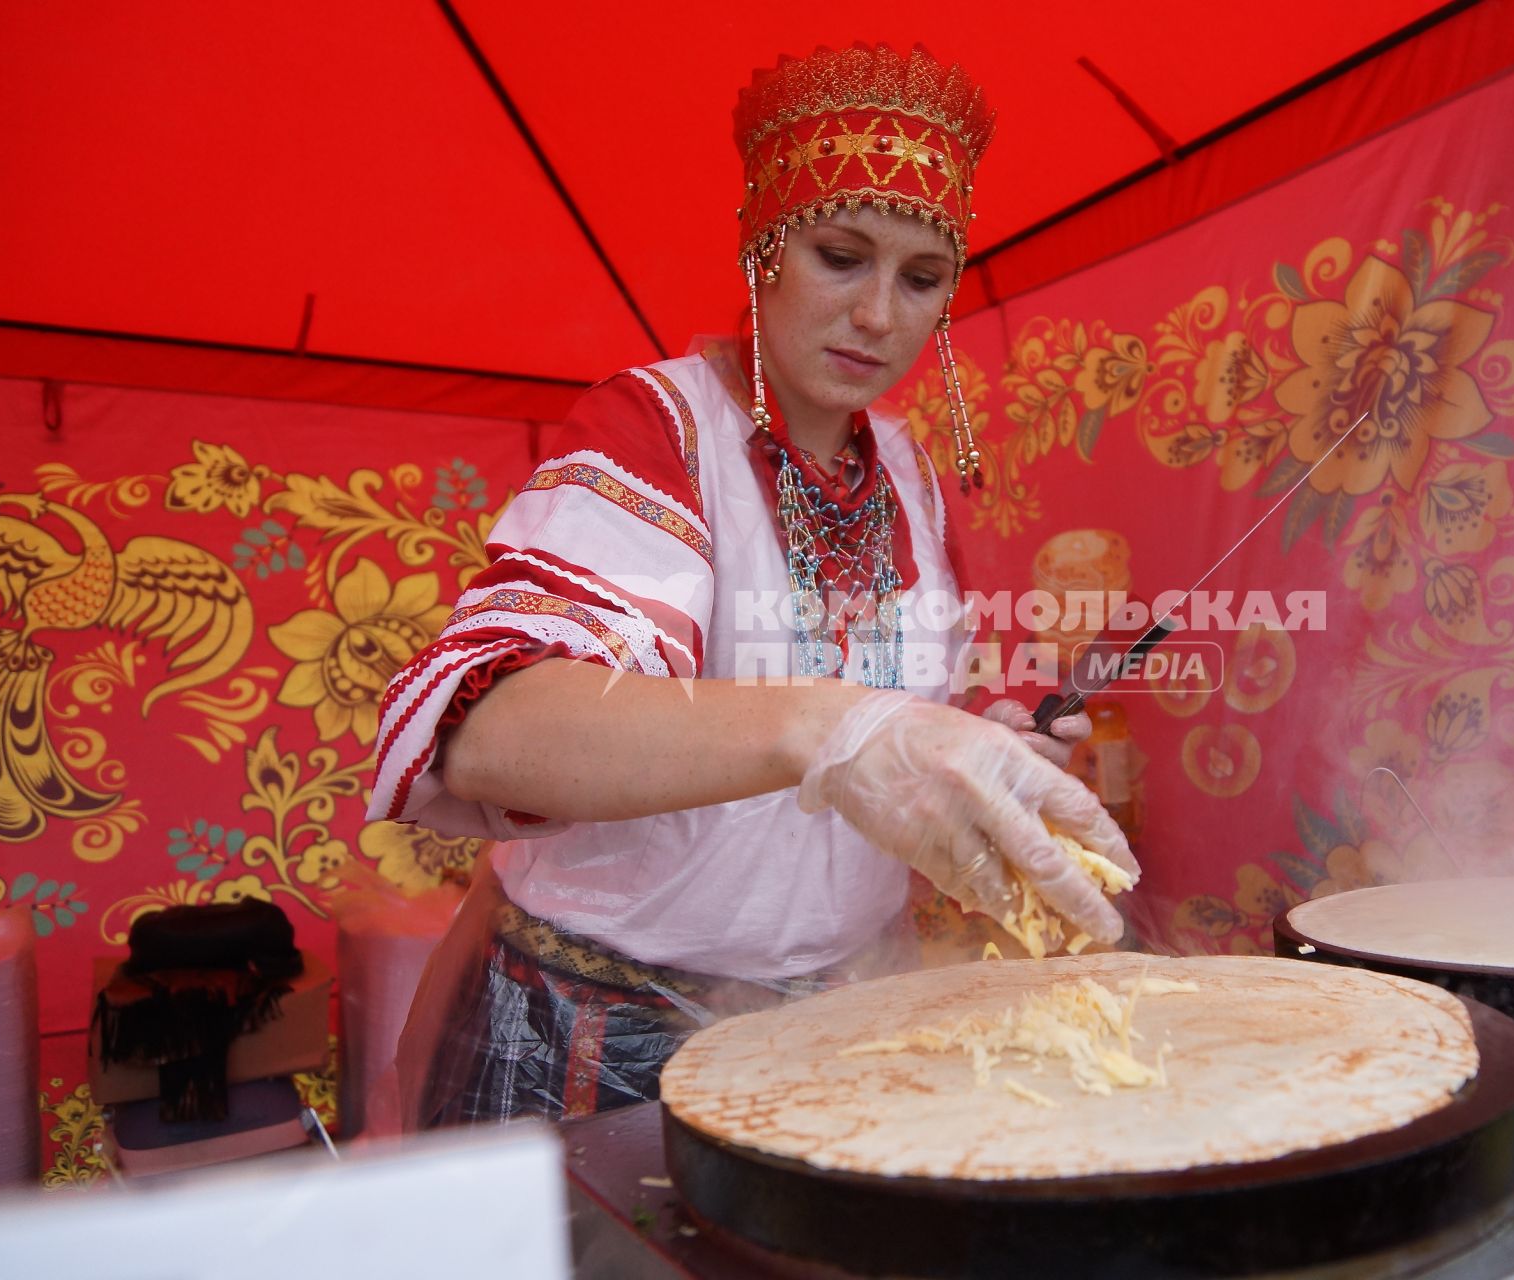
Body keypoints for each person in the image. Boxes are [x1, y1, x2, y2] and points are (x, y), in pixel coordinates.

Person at [367, 43, 1137, 1125]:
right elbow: (492, 729)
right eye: (839, 255)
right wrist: (835, 732)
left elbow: (902, 701)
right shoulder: (661, 429)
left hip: (848, 1015)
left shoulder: (909, 470)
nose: (878, 313)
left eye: (920, 280)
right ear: (763, 249)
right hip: (601, 1037)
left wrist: (979, 735)